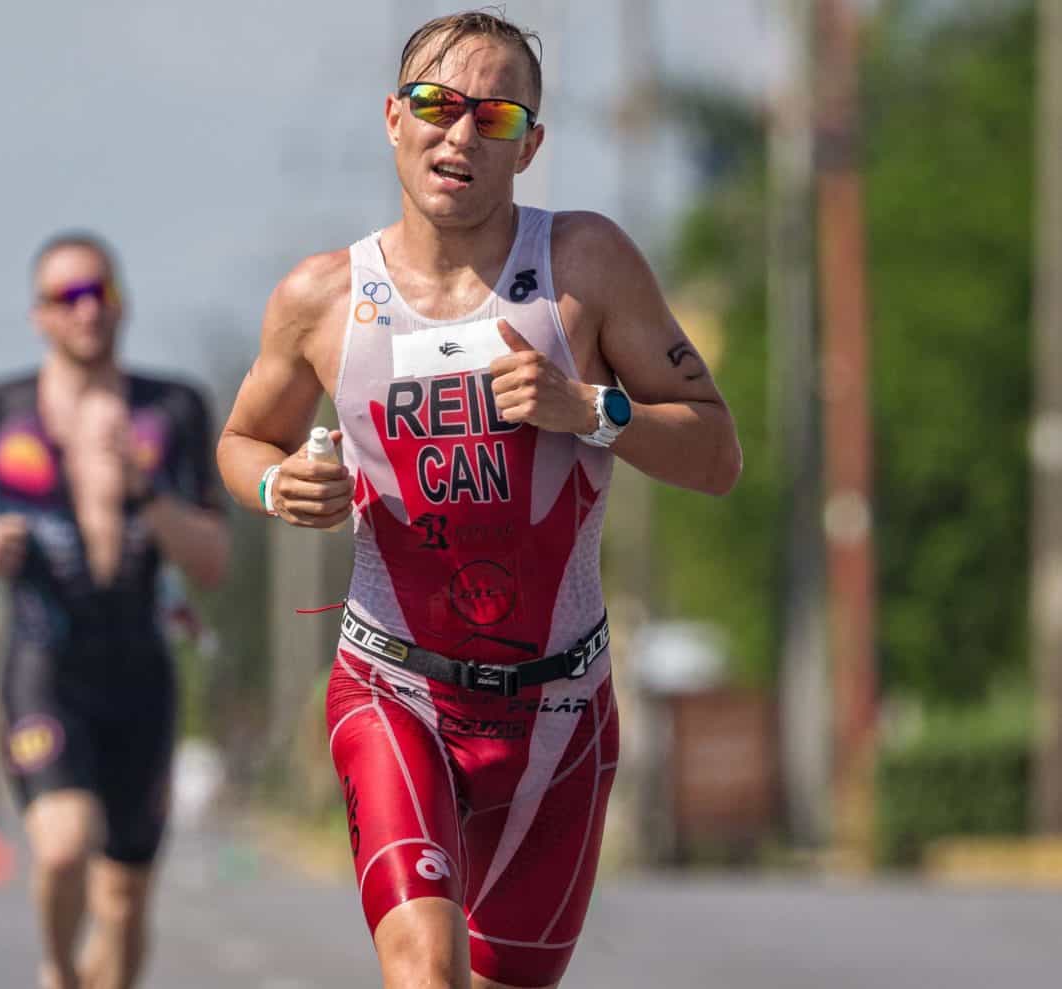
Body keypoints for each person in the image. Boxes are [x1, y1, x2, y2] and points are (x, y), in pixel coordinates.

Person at [216, 11, 741, 989]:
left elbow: (715, 453)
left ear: (529, 144)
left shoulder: (585, 265)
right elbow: (241, 438)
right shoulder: (322, 297)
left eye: (492, 117)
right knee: (424, 964)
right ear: (392, 118)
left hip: (560, 704)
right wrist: (275, 482)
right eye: (434, 105)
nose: (457, 134)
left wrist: (588, 406)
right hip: (394, 684)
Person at [0, 232, 228, 989]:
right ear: (39, 315)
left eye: (100, 291)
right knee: (62, 843)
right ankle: (59, 972)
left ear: (122, 302)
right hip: (44, 665)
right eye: (68, 297)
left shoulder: (175, 407)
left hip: (141, 671)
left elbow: (213, 559)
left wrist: (144, 492)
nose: (88, 308)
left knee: (125, 900)